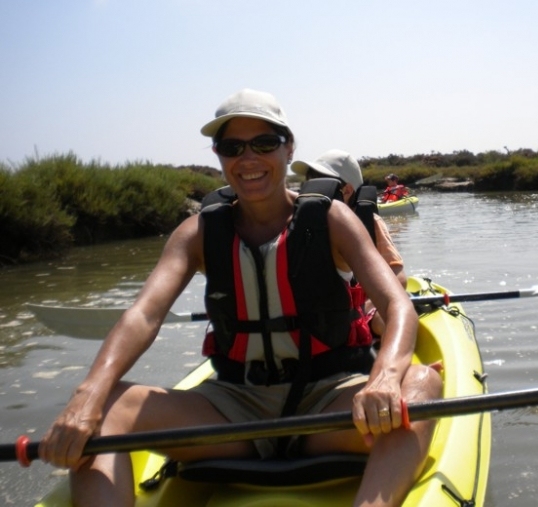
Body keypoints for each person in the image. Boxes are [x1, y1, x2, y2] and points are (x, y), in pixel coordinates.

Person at [38, 88, 442, 507]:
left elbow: (397, 306)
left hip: (328, 405)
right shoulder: (196, 233)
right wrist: (87, 395)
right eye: (232, 147)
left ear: (288, 149)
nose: (247, 159)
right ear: (218, 155)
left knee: (421, 382)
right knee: (104, 402)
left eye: (264, 144)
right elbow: (143, 316)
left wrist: (386, 375)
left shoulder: (333, 219)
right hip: (233, 410)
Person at [292, 150, 406, 338]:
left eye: (321, 181)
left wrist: (366, 305)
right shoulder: (298, 221)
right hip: (313, 314)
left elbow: (398, 277)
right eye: (310, 181)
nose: (313, 188)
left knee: (384, 320)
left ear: (347, 191)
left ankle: (393, 361)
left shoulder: (370, 222)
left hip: (360, 308)